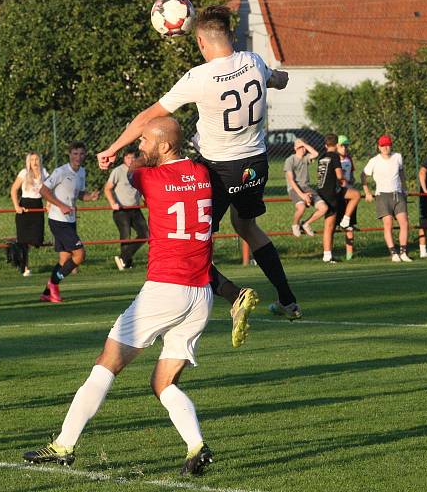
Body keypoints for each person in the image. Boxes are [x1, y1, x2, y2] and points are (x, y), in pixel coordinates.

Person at [23, 117, 257, 475]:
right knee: (162, 382)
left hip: (165, 289)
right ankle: (196, 446)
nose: (140, 147)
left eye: (146, 141)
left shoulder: (146, 176)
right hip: (200, 295)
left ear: (164, 146)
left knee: (106, 364)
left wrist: (113, 151)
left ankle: (63, 445)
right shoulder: (202, 174)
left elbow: (134, 168)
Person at [96, 5, 301, 321]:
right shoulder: (253, 61)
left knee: (192, 243)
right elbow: (278, 79)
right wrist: (281, 78)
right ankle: (287, 299)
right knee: (246, 225)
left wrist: (113, 147)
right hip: (256, 165)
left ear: (202, 43)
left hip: (219, 170)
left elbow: (149, 117)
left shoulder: (199, 77)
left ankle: (234, 295)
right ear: (229, 35)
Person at [39, 142, 100, 303]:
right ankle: (54, 283)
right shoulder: (60, 171)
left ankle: (46, 293)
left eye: (81, 154)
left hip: (70, 220)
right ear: (69, 154)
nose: (78, 157)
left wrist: (90, 197)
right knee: (80, 254)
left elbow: (80, 194)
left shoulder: (82, 172)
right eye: (75, 153)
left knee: (64, 259)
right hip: (58, 220)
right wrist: (61, 205)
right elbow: (43, 190)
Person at [361, 135, 413, 262]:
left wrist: (404, 188)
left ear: (391, 145)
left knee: (404, 222)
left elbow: (401, 172)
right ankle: (393, 253)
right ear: (379, 147)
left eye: (388, 145)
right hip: (382, 195)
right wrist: (367, 192)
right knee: (388, 224)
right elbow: (363, 175)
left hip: (398, 193)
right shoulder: (374, 161)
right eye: (383, 145)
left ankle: (403, 252)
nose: (385, 147)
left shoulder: (397, 157)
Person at [104, 148, 149, 270]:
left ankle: (123, 258)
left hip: (135, 208)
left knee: (145, 234)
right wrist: (113, 203)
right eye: (128, 158)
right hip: (121, 209)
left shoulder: (138, 171)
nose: (131, 160)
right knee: (126, 235)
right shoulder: (118, 171)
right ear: (124, 158)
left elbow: (141, 189)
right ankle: (126, 263)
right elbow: (107, 188)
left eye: (133, 158)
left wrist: (146, 200)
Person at [10, 153, 49, 276]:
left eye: (37, 159)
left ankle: (17, 257)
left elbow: (50, 189)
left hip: (38, 205)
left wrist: (49, 204)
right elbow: (14, 189)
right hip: (25, 205)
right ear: (29, 162)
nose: (35, 162)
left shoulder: (44, 173)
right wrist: (17, 206)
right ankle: (24, 267)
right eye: (32, 160)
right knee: (24, 240)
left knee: (36, 238)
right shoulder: (24, 173)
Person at [283, 138, 327, 237]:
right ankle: (295, 225)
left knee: (323, 208)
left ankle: (306, 223)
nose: (302, 149)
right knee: (301, 207)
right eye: (299, 147)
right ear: (295, 148)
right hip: (294, 189)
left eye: (304, 147)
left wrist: (303, 144)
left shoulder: (306, 158)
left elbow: (315, 154)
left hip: (306, 187)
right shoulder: (290, 160)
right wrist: (303, 195)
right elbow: (291, 180)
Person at [315, 133, 347, 263]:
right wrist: (344, 180)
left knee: (329, 225)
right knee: (329, 226)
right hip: (331, 192)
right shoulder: (334, 156)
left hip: (321, 191)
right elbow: (339, 175)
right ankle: (327, 255)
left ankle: (328, 254)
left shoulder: (322, 157)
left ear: (325, 145)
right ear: (337, 144)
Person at [335, 135, 360, 260]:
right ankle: (329, 253)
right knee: (333, 225)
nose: (344, 148)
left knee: (349, 226)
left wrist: (351, 181)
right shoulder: (334, 159)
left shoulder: (349, 159)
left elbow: (352, 175)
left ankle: (349, 255)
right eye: (342, 145)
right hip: (338, 195)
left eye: (346, 145)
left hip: (349, 196)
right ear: (336, 146)